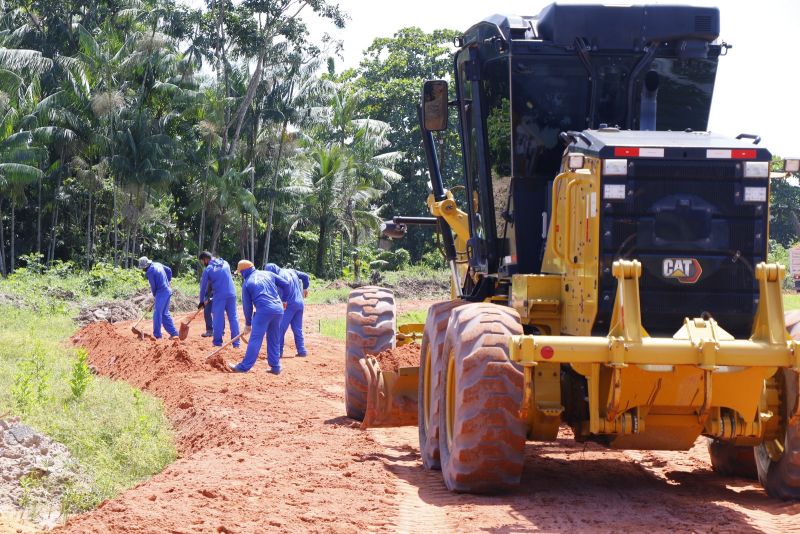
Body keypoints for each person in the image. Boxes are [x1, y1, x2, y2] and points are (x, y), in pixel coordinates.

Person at [231, 260, 291, 375]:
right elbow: (286, 284)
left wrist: (248, 324)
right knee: (273, 338)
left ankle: (243, 367)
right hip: (278, 310)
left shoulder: (247, 283)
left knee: (256, 338)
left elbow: (247, 306)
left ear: (243, 272)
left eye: (240, 273)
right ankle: (276, 367)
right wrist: (284, 300)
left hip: (264, 310)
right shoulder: (268, 274)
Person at [265, 263, 309, 358]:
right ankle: (302, 351)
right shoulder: (291, 271)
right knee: (297, 329)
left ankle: (278, 352)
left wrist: (283, 301)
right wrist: (305, 288)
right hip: (300, 303)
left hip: (289, 305)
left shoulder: (278, 277)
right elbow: (305, 276)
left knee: (280, 328)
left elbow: (284, 290)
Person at [198, 251, 240, 348]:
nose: (203, 264)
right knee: (233, 318)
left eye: (202, 262)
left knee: (218, 319)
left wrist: (201, 301)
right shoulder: (225, 263)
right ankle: (236, 344)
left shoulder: (208, 269)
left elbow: (203, 288)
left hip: (220, 296)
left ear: (205, 259)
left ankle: (217, 343)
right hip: (232, 294)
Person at [139, 256, 179, 340]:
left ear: (146, 266)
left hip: (162, 292)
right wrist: (168, 281)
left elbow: (153, 286)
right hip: (167, 290)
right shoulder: (157, 264)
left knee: (157, 313)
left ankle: (157, 336)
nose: (143, 270)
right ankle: (174, 334)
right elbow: (169, 270)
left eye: (143, 268)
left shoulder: (150, 271)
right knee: (164, 313)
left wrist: (155, 295)